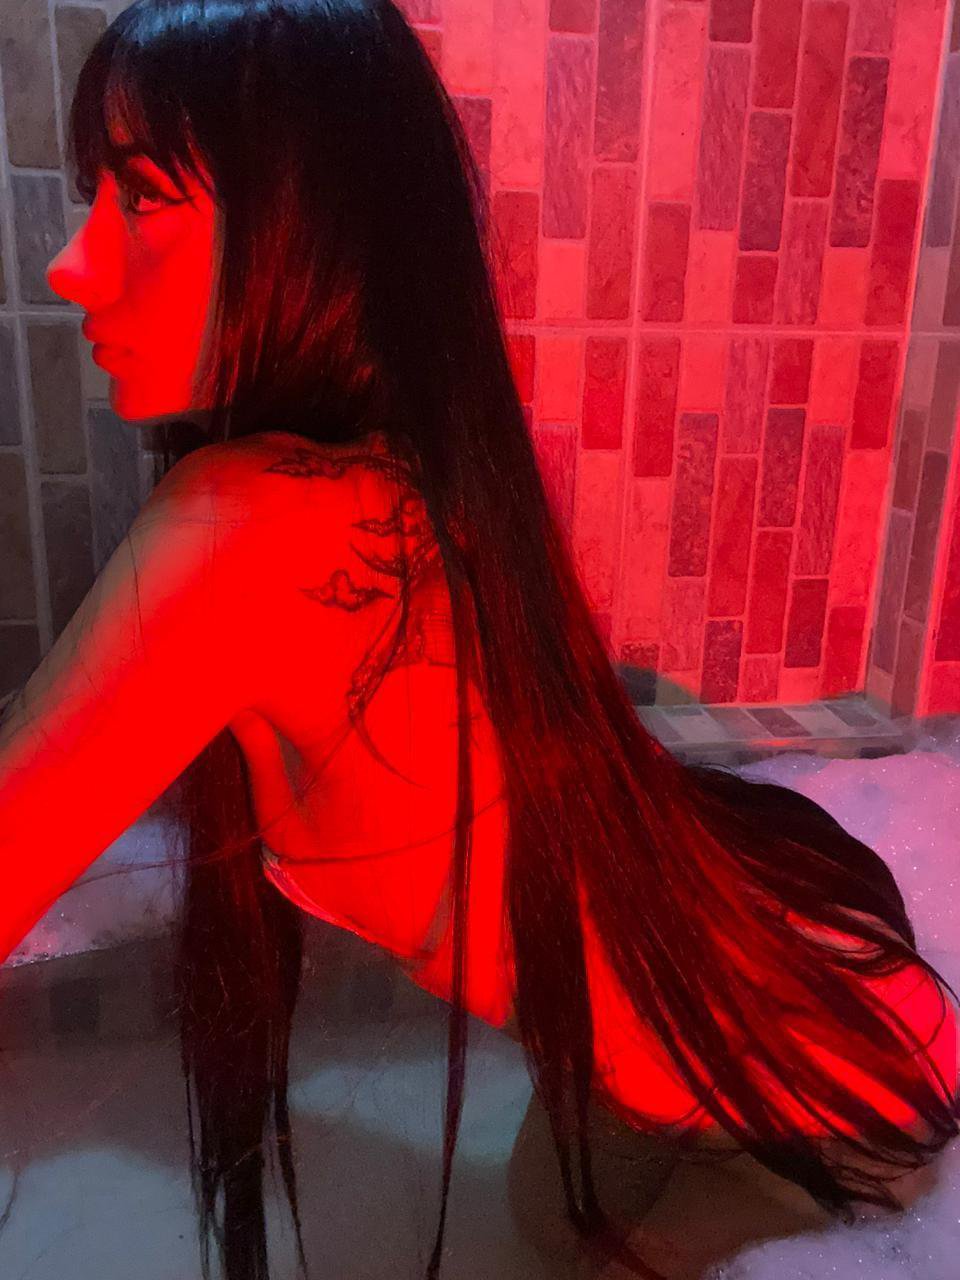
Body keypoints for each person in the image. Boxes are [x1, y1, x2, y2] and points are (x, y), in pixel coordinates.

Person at [0, 3, 957, 1278]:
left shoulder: (250, 527)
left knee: (563, 1242)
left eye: (141, 197)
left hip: (837, 1085)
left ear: (311, 221)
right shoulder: (381, 472)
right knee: (548, 1226)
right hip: (782, 991)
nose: (72, 266)